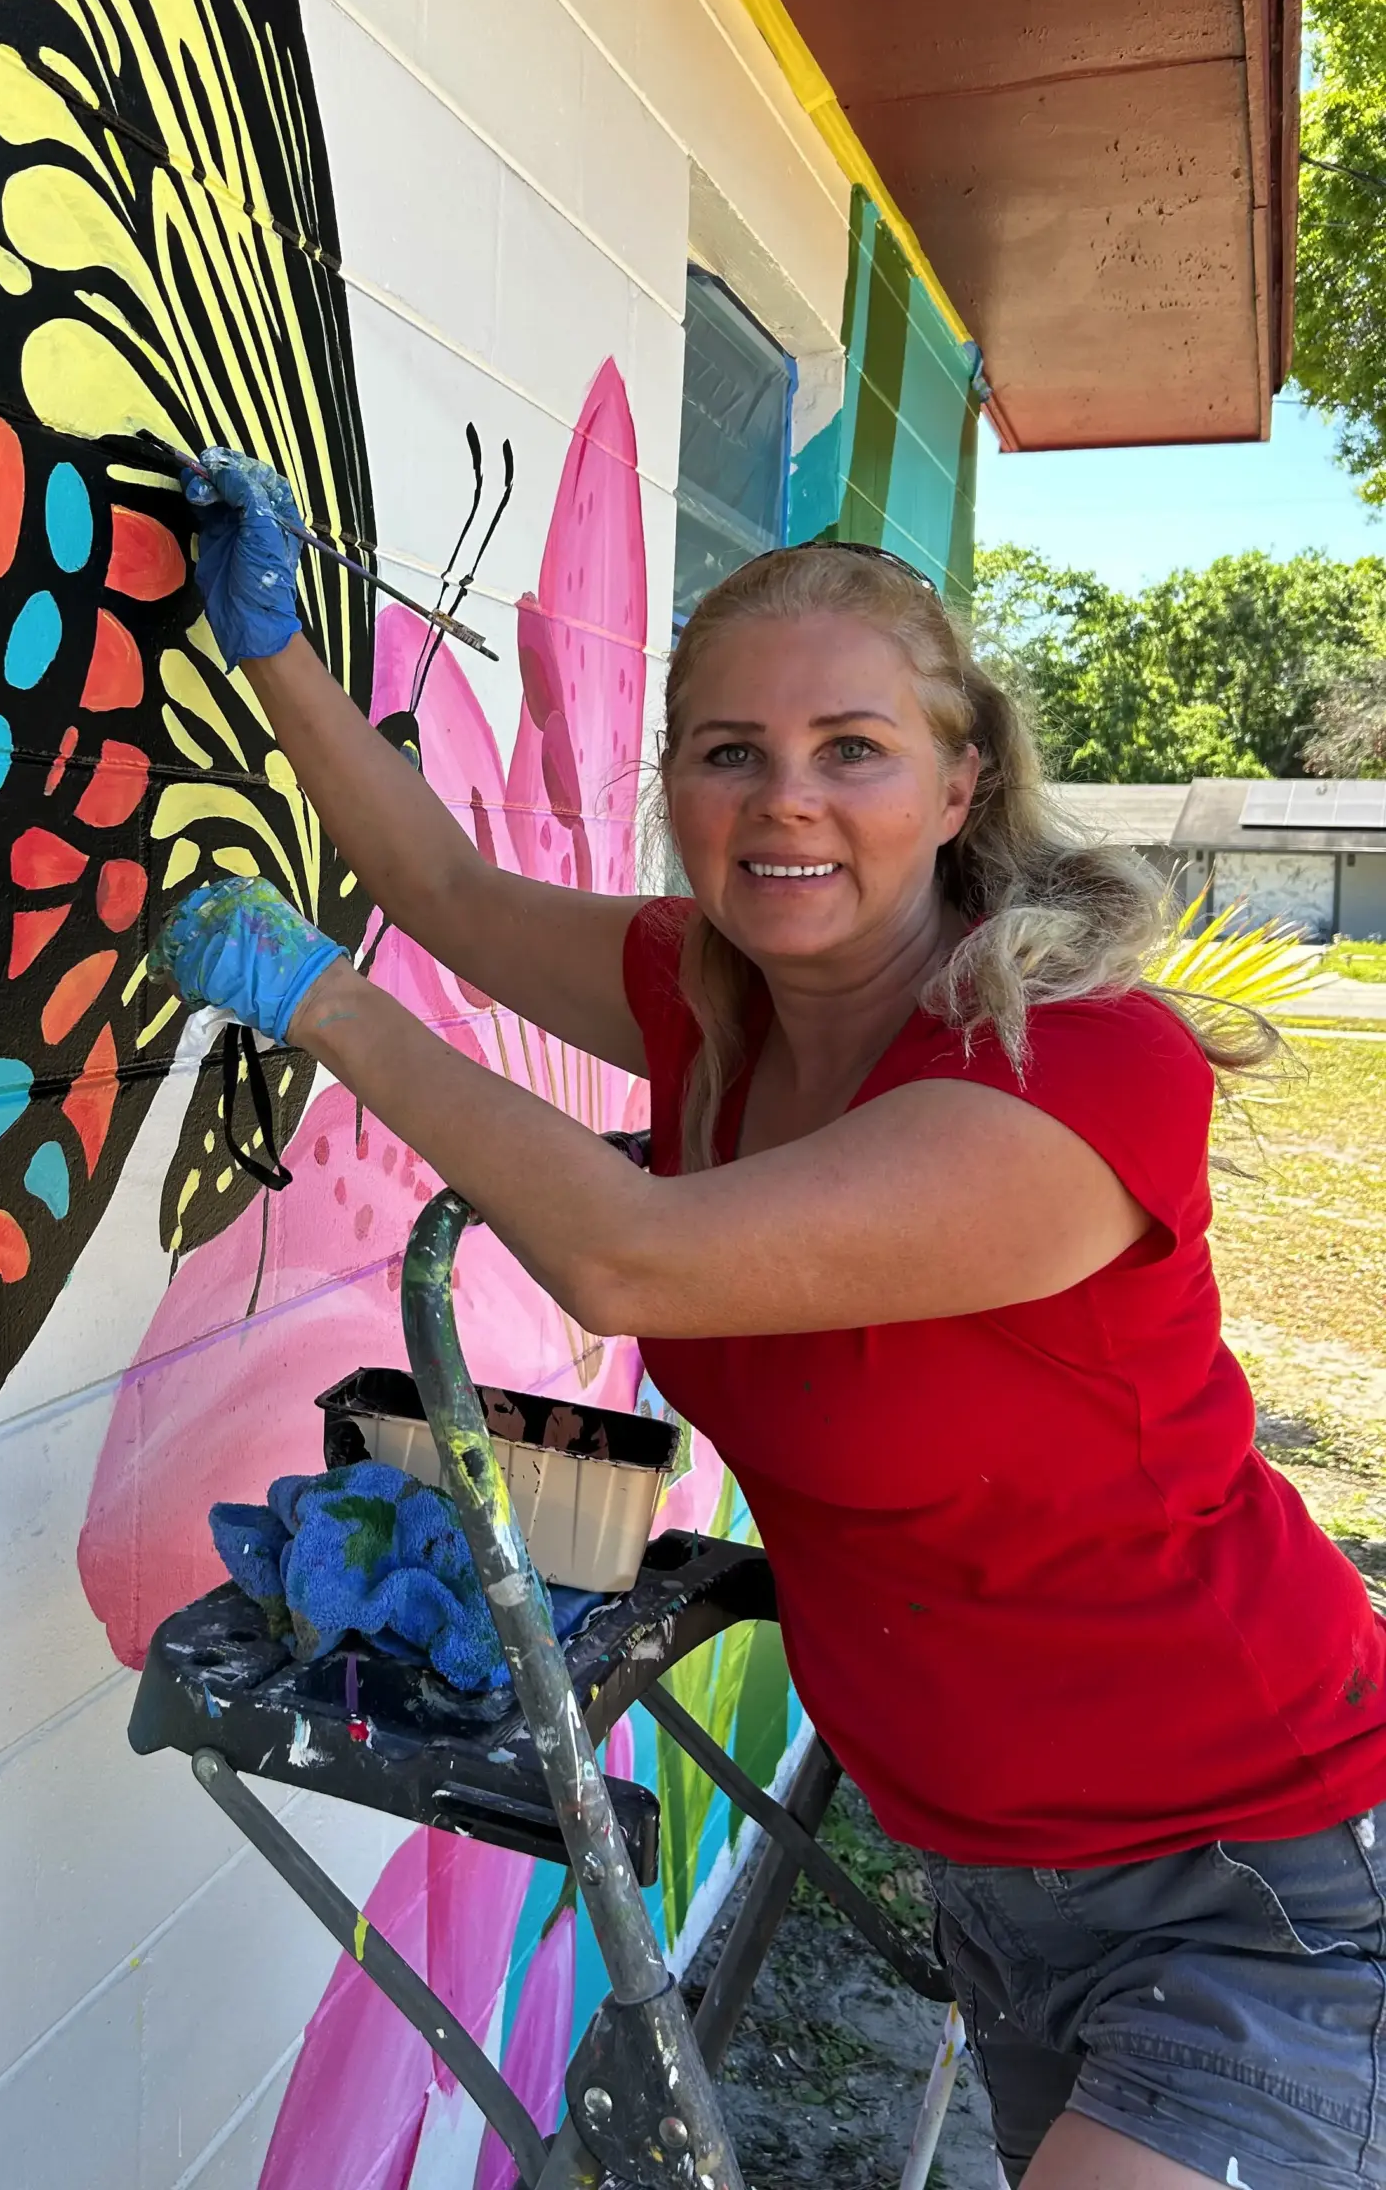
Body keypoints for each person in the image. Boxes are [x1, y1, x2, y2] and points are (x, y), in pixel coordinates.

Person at [156, 448, 1386, 2190]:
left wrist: (316, 1003)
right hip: (997, 1874)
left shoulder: (1073, 1071)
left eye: (852, 751)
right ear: (678, 785)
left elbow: (630, 1259)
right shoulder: (707, 993)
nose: (785, 801)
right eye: (731, 753)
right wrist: (272, 651)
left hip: (1251, 1874)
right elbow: (444, 892)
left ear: (962, 785)